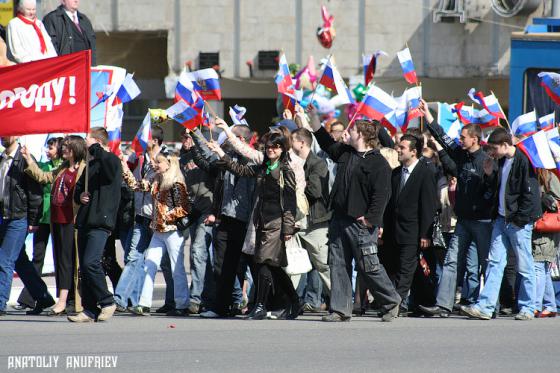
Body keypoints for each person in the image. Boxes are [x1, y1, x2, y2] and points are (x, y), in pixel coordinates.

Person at [307, 105, 401, 322]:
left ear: (363, 136)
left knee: (368, 266)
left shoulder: (378, 163)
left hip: (361, 223)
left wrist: (370, 219)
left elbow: (382, 195)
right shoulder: (346, 153)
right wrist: (313, 117)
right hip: (339, 217)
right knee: (337, 264)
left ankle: (390, 301)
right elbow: (324, 140)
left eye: (352, 131)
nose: (346, 133)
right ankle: (340, 309)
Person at [207, 131, 300, 320]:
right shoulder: (263, 167)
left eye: (275, 146)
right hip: (260, 222)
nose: (271, 150)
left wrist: (288, 229)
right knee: (273, 266)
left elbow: (290, 202)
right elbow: (239, 170)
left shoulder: (286, 170)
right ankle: (294, 301)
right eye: (268, 147)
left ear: (282, 149)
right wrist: (220, 152)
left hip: (276, 223)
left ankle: (260, 306)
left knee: (263, 262)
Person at [417, 100, 495, 318]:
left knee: (485, 263)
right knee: (452, 261)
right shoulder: (461, 155)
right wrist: (429, 117)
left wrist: (488, 183)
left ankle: (489, 305)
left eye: (463, 137)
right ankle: (443, 306)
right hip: (463, 221)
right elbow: (443, 137)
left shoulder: (487, 160)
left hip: (482, 222)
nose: (460, 141)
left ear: (475, 139)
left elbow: (493, 189)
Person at [461, 127, 541, 320]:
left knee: (524, 265)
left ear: (505, 145)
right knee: (495, 263)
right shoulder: (501, 161)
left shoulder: (524, 161)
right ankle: (486, 307)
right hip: (501, 220)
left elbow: (530, 195)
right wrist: (489, 174)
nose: (491, 152)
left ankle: (528, 307)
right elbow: (497, 189)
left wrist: (520, 220)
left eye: (494, 148)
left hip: (517, 222)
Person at [192, 124, 257, 319]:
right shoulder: (223, 158)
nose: (224, 140)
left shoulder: (252, 159)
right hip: (224, 218)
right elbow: (208, 157)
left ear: (241, 140)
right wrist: (194, 132)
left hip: (246, 221)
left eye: (230, 137)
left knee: (253, 265)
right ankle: (221, 307)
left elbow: (237, 168)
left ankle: (259, 304)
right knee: (222, 266)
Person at [22, 135, 87, 315]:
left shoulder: (84, 169)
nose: (63, 149)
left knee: (68, 262)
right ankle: (65, 300)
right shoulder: (63, 167)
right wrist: (28, 159)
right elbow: (43, 177)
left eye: (66, 146)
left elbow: (89, 192)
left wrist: (83, 198)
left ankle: (64, 301)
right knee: (60, 261)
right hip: (56, 219)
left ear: (75, 148)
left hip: (70, 220)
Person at [121, 153, 191, 316]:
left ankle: (182, 304)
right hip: (158, 231)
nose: (154, 164)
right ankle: (144, 304)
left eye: (158, 162)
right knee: (149, 265)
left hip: (172, 231)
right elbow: (136, 186)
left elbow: (184, 208)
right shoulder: (156, 180)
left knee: (177, 268)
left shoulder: (176, 183)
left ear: (169, 164)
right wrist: (124, 168)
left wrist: (166, 215)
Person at [381, 134, 438, 316]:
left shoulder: (425, 172)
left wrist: (425, 234)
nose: (398, 149)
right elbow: (389, 204)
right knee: (395, 267)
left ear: (413, 152)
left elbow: (428, 206)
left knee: (406, 269)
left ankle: (394, 304)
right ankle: (417, 302)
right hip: (394, 231)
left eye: (402, 147)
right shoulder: (396, 173)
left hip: (413, 232)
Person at [69, 128, 122, 322]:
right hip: (85, 220)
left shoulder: (111, 160)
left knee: (92, 262)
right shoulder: (89, 165)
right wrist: (79, 195)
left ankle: (107, 301)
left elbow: (110, 174)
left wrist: (97, 149)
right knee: (84, 266)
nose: (85, 141)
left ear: (98, 141)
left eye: (88, 138)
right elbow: (79, 190)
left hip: (101, 220)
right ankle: (89, 309)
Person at [0, 136, 55, 316]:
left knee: (4, 259)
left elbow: (35, 193)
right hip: (4, 216)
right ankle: (43, 296)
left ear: (15, 136)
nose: (3, 137)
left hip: (18, 217)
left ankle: (0, 302)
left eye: (6, 133)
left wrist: (33, 220)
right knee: (19, 261)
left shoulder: (24, 160)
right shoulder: (2, 159)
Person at [15, 137, 63, 311]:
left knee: (61, 260)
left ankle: (64, 299)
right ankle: (31, 298)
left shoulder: (64, 167)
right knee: (37, 258)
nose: (48, 150)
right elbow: (38, 176)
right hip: (43, 218)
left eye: (51, 147)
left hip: (59, 217)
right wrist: (28, 158)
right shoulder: (43, 166)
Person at [290, 128, 331, 302]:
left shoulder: (318, 163)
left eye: (292, 140)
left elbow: (315, 191)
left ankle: (340, 302)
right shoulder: (290, 162)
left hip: (316, 223)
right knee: (292, 265)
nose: (289, 145)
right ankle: (288, 303)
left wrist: (298, 183)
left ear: (302, 143)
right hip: (296, 222)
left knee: (323, 266)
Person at [179, 130, 215, 315]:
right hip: (193, 210)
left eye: (188, 137)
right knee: (198, 256)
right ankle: (204, 294)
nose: (185, 141)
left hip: (208, 208)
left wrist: (196, 134)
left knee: (198, 251)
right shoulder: (182, 159)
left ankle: (197, 298)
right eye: (183, 138)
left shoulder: (206, 156)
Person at [532, 169, 559, 318]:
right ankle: (550, 305)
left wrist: (544, 198)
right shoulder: (539, 175)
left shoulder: (550, 175)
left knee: (539, 265)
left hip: (547, 228)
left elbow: (556, 202)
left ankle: (535, 305)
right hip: (539, 226)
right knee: (544, 268)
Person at [43, 0, 96, 65]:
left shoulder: (84, 19)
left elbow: (92, 46)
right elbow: (51, 49)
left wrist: (93, 66)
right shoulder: (52, 19)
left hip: (85, 67)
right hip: (67, 69)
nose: (76, 0)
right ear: (63, 1)